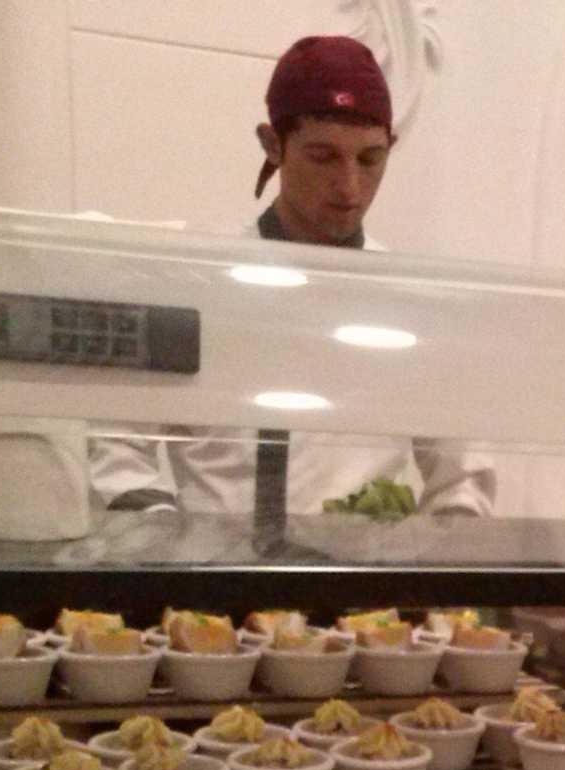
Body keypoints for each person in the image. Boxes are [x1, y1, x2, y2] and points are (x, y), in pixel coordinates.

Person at [91, 35, 494, 521]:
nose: (349, 187)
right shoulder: (197, 282)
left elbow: (462, 477)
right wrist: (169, 541)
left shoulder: (411, 306)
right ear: (273, 144)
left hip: (367, 568)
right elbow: (116, 451)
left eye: (370, 159)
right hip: (211, 566)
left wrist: (440, 548)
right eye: (323, 157)